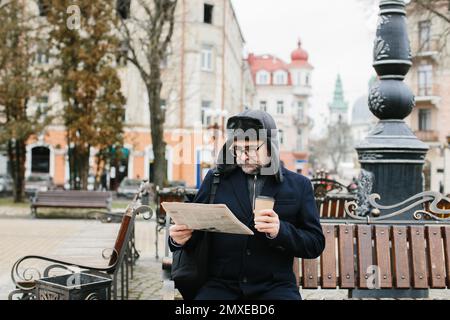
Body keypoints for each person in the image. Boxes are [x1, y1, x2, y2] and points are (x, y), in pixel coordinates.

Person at [169, 110, 325, 300]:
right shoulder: (216, 179)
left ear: (270, 146)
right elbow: (196, 232)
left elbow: (315, 243)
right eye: (237, 150)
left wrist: (280, 231)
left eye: (250, 149)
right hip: (221, 286)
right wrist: (179, 238)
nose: (242, 157)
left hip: (276, 288)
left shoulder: (299, 185)